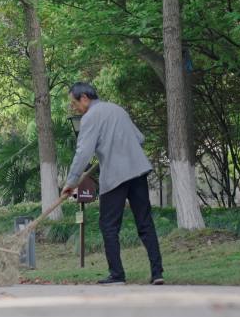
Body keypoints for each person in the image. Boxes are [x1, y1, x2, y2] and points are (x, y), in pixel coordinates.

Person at [62, 82, 164, 285]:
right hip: (137, 170)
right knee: (144, 222)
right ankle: (157, 273)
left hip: (116, 176)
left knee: (108, 225)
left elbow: (83, 152)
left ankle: (117, 275)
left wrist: (71, 182)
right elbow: (140, 138)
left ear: (84, 98)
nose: (73, 107)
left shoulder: (90, 117)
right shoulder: (118, 109)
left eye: (74, 103)